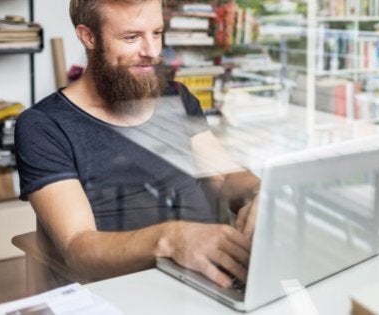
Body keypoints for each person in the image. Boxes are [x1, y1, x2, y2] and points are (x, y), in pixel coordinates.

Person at [14, 0, 259, 289]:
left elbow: (225, 176)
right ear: (88, 36)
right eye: (131, 37)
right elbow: (78, 247)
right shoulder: (44, 125)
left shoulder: (176, 97)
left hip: (210, 277)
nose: (152, 52)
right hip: (128, 287)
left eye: (157, 33)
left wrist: (259, 192)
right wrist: (171, 240)